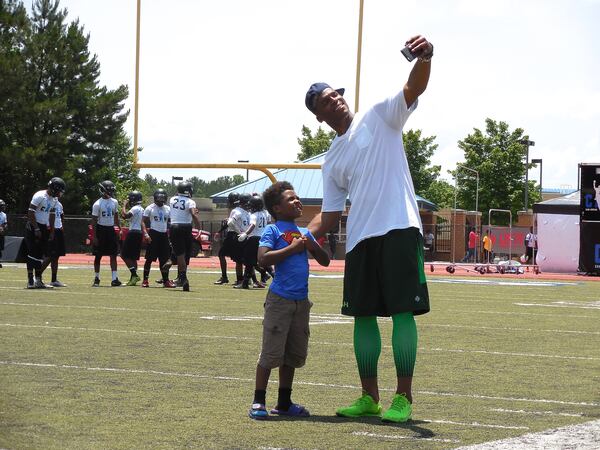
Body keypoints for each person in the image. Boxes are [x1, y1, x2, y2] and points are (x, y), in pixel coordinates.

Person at [305, 34, 433, 423]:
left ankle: (403, 398)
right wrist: (300, 236)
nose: (336, 100)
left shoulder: (379, 114)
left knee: (401, 313)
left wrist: (426, 56)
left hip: (398, 226)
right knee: (362, 316)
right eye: (327, 100)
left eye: (337, 94)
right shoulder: (330, 160)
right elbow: (327, 216)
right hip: (360, 238)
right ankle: (368, 397)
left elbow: (414, 86)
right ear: (318, 115)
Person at [248, 181, 329, 420]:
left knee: (293, 353)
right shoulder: (272, 230)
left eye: (297, 198)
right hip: (280, 299)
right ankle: (258, 401)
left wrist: (313, 245)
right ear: (277, 208)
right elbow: (263, 259)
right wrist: (292, 249)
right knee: (271, 353)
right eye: (290, 199)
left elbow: (324, 261)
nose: (297, 202)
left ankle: (284, 402)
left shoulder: (304, 233)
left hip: (301, 301)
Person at [25, 177, 65, 288]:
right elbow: (30, 212)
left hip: (44, 226)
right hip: (34, 225)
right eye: (59, 191)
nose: (59, 194)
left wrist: (51, 231)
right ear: (53, 188)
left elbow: (52, 215)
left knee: (40, 254)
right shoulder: (39, 196)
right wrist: (36, 228)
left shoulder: (54, 200)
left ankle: (38, 280)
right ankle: (30, 280)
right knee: (33, 253)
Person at [169, 181, 201, 291]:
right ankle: (182, 277)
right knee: (185, 254)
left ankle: (181, 277)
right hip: (186, 227)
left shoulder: (172, 199)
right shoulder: (191, 201)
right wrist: (199, 227)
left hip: (175, 226)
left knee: (181, 254)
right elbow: (193, 213)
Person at [237, 194, 272, 289]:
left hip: (254, 239)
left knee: (249, 261)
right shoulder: (266, 213)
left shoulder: (254, 215)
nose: (250, 206)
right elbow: (269, 225)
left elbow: (252, 225)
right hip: (263, 238)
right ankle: (274, 276)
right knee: (259, 260)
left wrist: (245, 234)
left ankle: (245, 283)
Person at [141, 188, 175, 288]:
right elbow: (142, 221)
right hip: (153, 234)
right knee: (149, 259)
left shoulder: (168, 209)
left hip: (164, 235)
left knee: (164, 260)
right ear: (155, 198)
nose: (160, 200)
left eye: (162, 198)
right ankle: (145, 280)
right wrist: (146, 234)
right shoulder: (150, 208)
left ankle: (166, 281)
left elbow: (171, 221)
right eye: (159, 198)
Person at [91, 180, 121, 287]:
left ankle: (114, 278)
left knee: (113, 255)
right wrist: (94, 236)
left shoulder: (114, 202)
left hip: (111, 230)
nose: (111, 193)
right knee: (98, 255)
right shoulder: (97, 204)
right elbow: (94, 221)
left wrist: (119, 229)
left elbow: (116, 217)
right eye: (109, 190)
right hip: (101, 230)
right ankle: (97, 278)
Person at [214, 192, 243, 285]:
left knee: (221, 254)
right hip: (241, 236)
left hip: (232, 235)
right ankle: (242, 278)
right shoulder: (244, 211)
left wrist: (219, 231)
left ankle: (224, 277)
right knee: (240, 258)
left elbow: (230, 223)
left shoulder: (235, 211)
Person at [120, 190, 147, 286]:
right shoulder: (141, 208)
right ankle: (133, 279)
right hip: (139, 233)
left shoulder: (135, 208)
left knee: (124, 255)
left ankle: (134, 275)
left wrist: (124, 205)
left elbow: (124, 216)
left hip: (133, 232)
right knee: (133, 257)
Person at [41, 197, 67, 286]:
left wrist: (62, 227)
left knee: (56, 256)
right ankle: (37, 276)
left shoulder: (59, 204)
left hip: (58, 230)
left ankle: (54, 279)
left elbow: (62, 216)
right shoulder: (48, 203)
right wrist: (50, 230)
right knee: (49, 256)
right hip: (51, 230)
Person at [0, 199, 8, 269]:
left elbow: (5, 223)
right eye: (2, 206)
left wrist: (4, 228)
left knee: (0, 249)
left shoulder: (4, 214)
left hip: (1, 234)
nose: (3, 207)